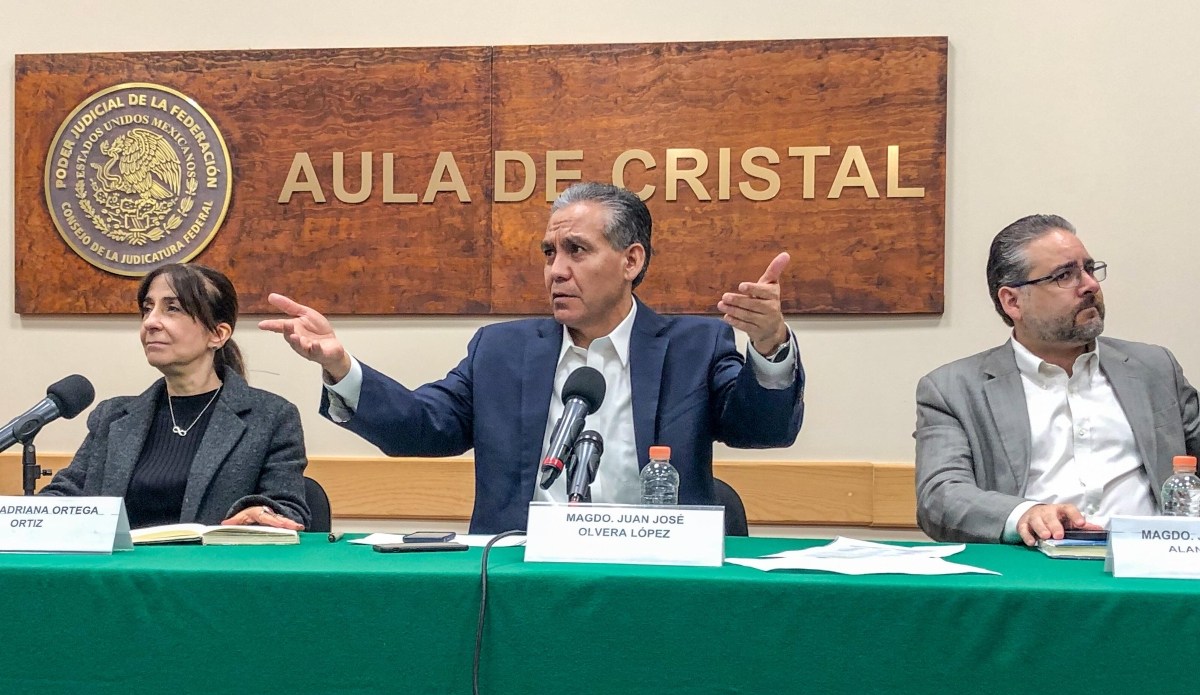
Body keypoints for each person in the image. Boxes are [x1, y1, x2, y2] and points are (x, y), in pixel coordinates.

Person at [261, 181, 805, 533]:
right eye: (549, 253)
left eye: (577, 250)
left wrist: (768, 346)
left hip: (656, 576)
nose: (555, 270)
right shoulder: (502, 351)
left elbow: (763, 429)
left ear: (631, 260)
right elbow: (424, 428)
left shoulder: (694, 346)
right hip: (518, 578)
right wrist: (340, 367)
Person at [915, 214, 1200, 544]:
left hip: (1149, 568)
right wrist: (1024, 513)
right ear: (1013, 301)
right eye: (1065, 275)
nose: (1091, 285)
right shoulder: (953, 389)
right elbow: (939, 498)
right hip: (1032, 571)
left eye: (1090, 269)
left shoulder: (1154, 368)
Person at [41, 263, 310, 530]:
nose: (151, 322)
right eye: (147, 309)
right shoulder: (112, 417)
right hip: (119, 571)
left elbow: (290, 510)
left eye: (172, 309)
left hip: (212, 569)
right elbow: (66, 495)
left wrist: (259, 512)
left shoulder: (271, 417)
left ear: (218, 334)